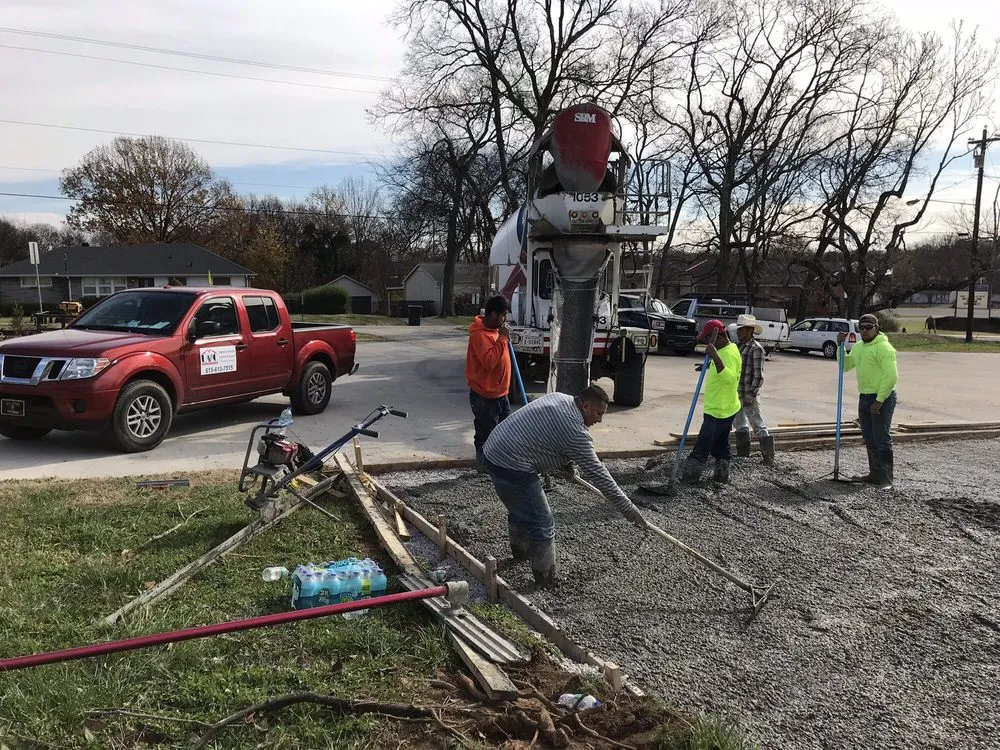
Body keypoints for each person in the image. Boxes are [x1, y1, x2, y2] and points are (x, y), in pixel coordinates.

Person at [481, 384, 648, 588]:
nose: (599, 420)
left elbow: (548, 434)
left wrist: (567, 464)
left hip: (493, 450)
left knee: (521, 507)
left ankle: (521, 554)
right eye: (598, 413)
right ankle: (545, 579)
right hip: (510, 463)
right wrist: (628, 510)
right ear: (585, 406)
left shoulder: (561, 398)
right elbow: (601, 476)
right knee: (542, 522)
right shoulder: (575, 431)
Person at [837, 313, 898, 488]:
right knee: (869, 437)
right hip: (864, 396)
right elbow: (845, 366)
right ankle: (874, 473)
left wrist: (879, 401)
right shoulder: (858, 347)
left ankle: (886, 478)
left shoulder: (884, 348)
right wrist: (840, 346)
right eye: (861, 328)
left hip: (882, 398)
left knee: (881, 437)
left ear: (876, 328)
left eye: (868, 327)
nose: (864, 331)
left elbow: (891, 376)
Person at [680, 319, 742, 484]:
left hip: (718, 411)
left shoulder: (727, 353)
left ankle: (689, 478)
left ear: (719, 337)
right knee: (721, 446)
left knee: (702, 446)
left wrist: (715, 356)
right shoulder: (728, 349)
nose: (707, 342)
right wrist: (709, 364)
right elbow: (723, 367)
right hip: (726, 407)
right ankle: (721, 477)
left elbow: (730, 377)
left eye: (708, 339)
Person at [466, 295, 513, 472]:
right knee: (486, 433)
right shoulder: (479, 336)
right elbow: (489, 362)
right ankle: (484, 466)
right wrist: (502, 339)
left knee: (506, 431)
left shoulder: (495, 332)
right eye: (503, 315)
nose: (505, 319)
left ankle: (500, 463)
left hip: (501, 393)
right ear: (494, 314)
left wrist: (503, 339)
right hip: (485, 395)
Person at [731, 314, 774, 465]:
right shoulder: (737, 346)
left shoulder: (756, 349)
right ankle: (743, 453)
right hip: (737, 392)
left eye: (741, 330)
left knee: (758, 424)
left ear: (749, 331)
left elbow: (758, 376)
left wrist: (750, 394)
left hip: (748, 393)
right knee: (740, 424)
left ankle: (768, 457)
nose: (738, 332)